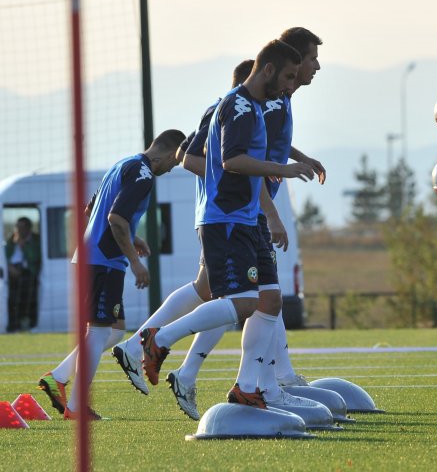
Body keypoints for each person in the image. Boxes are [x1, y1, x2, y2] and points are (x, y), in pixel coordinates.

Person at [115, 38, 312, 411]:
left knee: (260, 300)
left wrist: (293, 159)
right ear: (268, 70)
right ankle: (159, 340)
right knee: (241, 301)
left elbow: (245, 157)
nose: (295, 80)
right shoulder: (236, 106)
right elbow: (226, 160)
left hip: (237, 215)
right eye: (293, 72)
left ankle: (248, 384)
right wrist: (276, 188)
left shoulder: (253, 106)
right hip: (229, 217)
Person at [36, 129, 185, 420]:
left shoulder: (125, 163)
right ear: (169, 154)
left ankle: (58, 378)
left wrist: (132, 236)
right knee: (101, 330)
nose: (172, 168)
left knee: (115, 330)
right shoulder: (143, 176)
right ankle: (76, 407)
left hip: (97, 257)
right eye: (175, 163)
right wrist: (135, 262)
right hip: (103, 260)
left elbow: (92, 209)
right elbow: (115, 218)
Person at [5, 216, 41, 332]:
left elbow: (34, 257)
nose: (19, 229)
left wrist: (24, 245)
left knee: (25, 300)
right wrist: (9, 267)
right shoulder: (12, 239)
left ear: (28, 228)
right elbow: (6, 254)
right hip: (12, 271)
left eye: (22, 227)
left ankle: (24, 324)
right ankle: (13, 325)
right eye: (18, 226)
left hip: (27, 272)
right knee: (11, 300)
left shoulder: (35, 239)